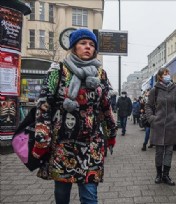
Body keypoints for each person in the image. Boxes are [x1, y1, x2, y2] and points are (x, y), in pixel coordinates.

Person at [32, 28, 117, 203]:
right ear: (73, 46)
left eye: (92, 44)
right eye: (83, 43)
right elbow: (43, 105)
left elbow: (106, 106)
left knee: (89, 194)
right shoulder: (58, 70)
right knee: (62, 192)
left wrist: (111, 133)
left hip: (92, 143)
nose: (88, 47)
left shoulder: (100, 73)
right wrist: (42, 139)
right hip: (63, 143)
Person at [145, 68, 176, 186]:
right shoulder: (155, 90)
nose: (168, 75)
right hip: (158, 125)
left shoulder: (175, 90)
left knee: (169, 151)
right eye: (165, 74)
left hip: (172, 125)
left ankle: (166, 175)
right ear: (160, 77)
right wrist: (152, 119)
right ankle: (158, 174)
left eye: (168, 73)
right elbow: (148, 106)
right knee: (159, 151)